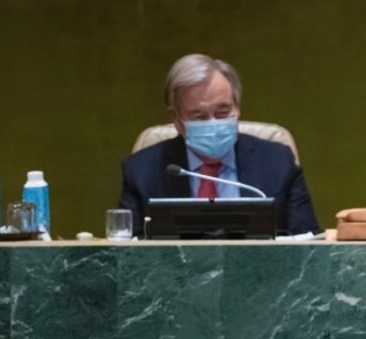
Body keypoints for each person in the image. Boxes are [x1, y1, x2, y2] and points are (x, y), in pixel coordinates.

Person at [118, 53, 319, 236]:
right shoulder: (142, 171)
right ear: (177, 119)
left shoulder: (278, 162)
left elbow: (308, 244)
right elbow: (125, 251)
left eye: (223, 113)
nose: (213, 123)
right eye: (199, 116)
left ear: (237, 108)